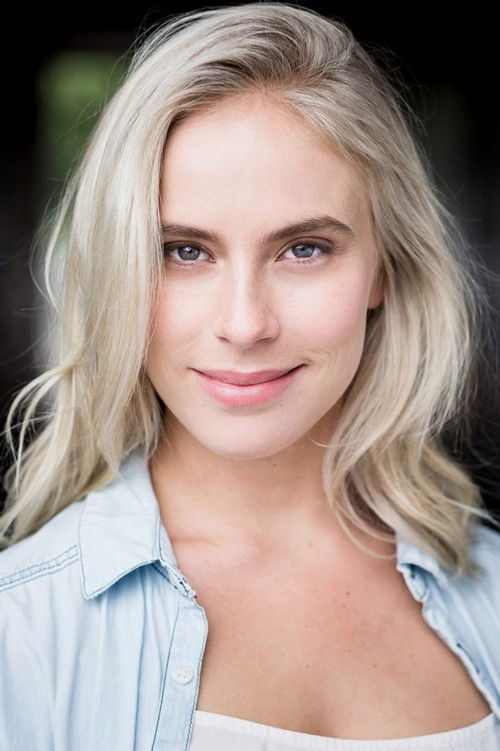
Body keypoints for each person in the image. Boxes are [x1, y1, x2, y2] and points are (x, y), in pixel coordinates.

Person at [0, 2, 499, 749]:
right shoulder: (21, 631)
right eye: (184, 251)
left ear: (383, 268)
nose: (245, 324)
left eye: (304, 249)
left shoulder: (488, 589)